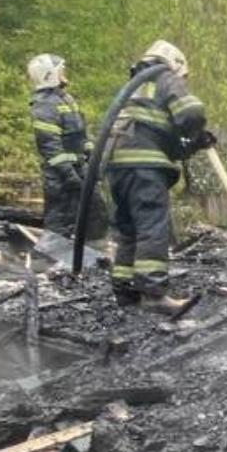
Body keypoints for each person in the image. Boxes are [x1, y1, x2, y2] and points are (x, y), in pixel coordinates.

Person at [105, 39, 211, 312]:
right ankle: (154, 295)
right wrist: (197, 130)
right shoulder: (164, 77)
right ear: (174, 63)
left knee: (129, 232)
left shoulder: (134, 88)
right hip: (144, 170)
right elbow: (191, 112)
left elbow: (160, 141)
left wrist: (193, 144)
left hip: (118, 170)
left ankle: (125, 293)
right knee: (152, 228)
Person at [27, 52, 95, 239]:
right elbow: (51, 147)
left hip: (78, 170)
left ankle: (80, 262)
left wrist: (90, 151)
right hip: (60, 178)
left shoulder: (66, 99)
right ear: (49, 74)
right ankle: (48, 262)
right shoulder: (44, 105)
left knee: (85, 221)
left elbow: (81, 131)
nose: (65, 73)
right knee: (59, 224)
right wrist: (70, 175)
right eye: (61, 70)